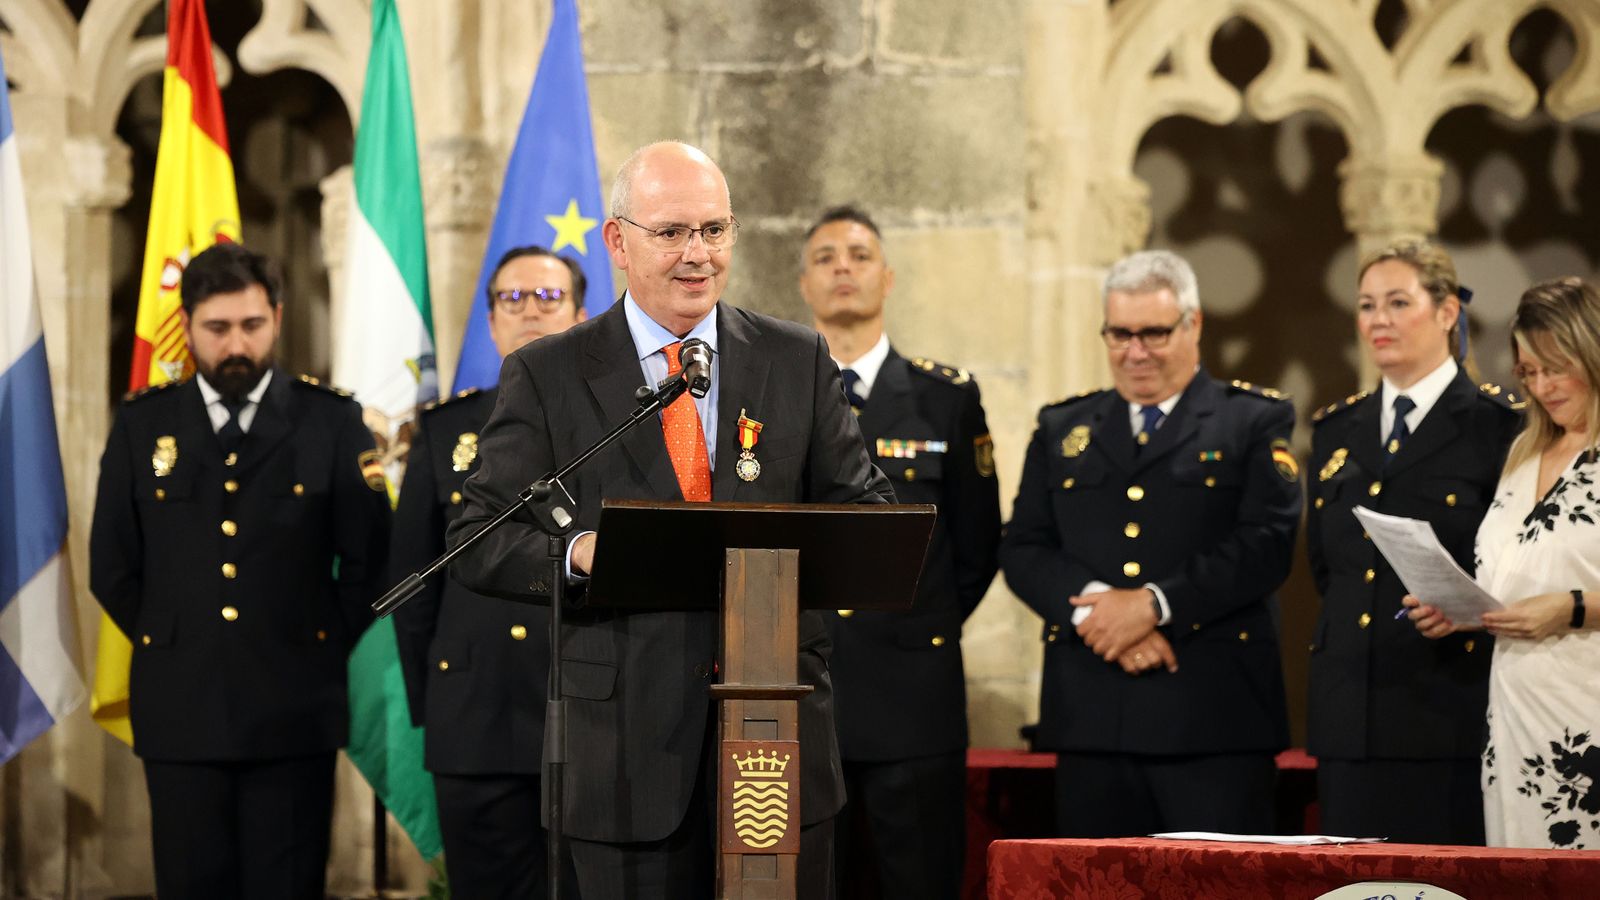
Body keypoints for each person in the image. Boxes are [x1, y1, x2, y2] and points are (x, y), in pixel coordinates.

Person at [446, 141, 894, 898]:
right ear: (618, 242)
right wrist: (579, 551)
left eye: (714, 230)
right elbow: (478, 537)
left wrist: (792, 553)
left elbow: (866, 513)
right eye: (672, 232)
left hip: (775, 742)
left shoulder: (796, 359)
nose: (698, 254)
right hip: (622, 756)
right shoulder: (549, 372)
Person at [88, 242, 391, 898]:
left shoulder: (331, 421)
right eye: (217, 327)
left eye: (251, 325)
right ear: (187, 326)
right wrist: (176, 637)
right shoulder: (143, 423)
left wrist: (317, 640)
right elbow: (111, 563)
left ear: (277, 318)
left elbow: (372, 560)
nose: (236, 345)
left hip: (295, 706)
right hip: (181, 707)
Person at [999, 249, 1298, 838]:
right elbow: (1023, 547)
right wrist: (1099, 614)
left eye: (1154, 333)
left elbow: (1268, 542)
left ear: (1194, 325)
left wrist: (1154, 605)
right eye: (1120, 334)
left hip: (1213, 719)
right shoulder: (1063, 426)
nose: (1135, 352)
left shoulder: (1251, 420)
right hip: (1091, 717)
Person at [797, 205, 1000, 898]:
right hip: (802, 688)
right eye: (825, 258)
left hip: (913, 696)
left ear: (887, 278)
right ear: (803, 283)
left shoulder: (947, 399)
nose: (843, 268)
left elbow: (976, 546)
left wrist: (917, 622)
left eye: (859, 256)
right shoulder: (768, 401)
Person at [1306, 240, 1521, 844]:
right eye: (1367, 305)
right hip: (1350, 714)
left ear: (1447, 311)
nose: (1379, 319)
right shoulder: (1335, 429)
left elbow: (1519, 568)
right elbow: (1327, 567)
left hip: (1449, 709)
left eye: (1398, 302)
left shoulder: (1498, 427)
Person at [390, 245, 586, 898]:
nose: (530, 311)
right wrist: (438, 700)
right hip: (476, 717)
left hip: (587, 715)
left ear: (581, 316)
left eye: (549, 298)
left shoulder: (621, 424)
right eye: (512, 298)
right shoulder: (445, 430)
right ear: (492, 320)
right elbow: (413, 582)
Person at [1406, 277, 1600, 849]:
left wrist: (1571, 608)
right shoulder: (1523, 450)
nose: (1541, 387)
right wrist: (1461, 611)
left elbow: (1563, 594)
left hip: (1589, 713)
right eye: (1528, 371)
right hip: (1517, 717)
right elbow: (1512, 574)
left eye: (1556, 368)